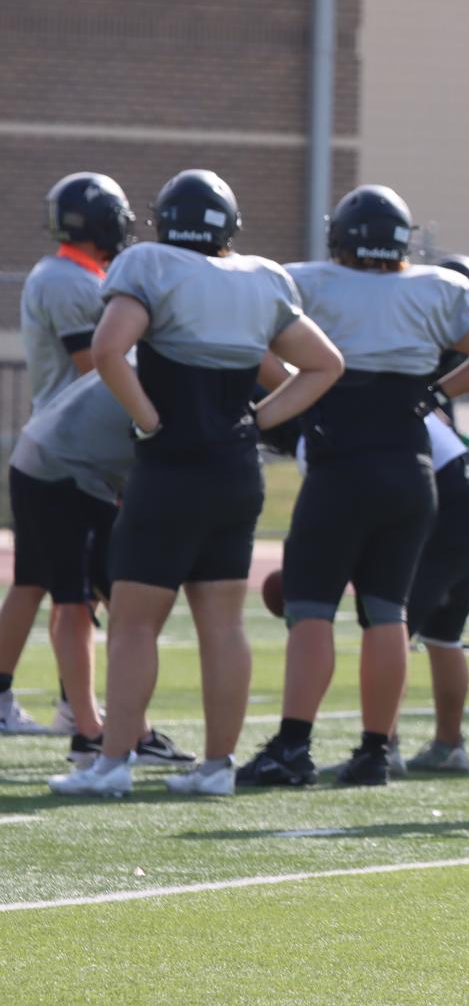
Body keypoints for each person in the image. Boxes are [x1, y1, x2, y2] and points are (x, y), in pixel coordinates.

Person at [50, 170, 344, 798]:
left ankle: (115, 763)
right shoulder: (262, 278)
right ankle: (216, 767)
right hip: (236, 471)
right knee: (223, 624)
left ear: (165, 221)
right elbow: (324, 365)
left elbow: (107, 350)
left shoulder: (150, 265)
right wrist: (260, 419)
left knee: (133, 622)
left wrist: (149, 419)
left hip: (170, 468)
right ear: (229, 226)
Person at [238, 186, 469, 790]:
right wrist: (437, 391)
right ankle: (373, 751)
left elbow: (254, 342)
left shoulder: (307, 282)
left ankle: (293, 746)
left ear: (338, 236)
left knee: (311, 608)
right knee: (386, 611)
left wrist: (293, 391)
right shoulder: (434, 289)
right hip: (410, 468)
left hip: (341, 465)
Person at [1, 173, 135, 736]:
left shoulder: (65, 273)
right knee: (89, 587)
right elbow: (97, 369)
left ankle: (37, 700)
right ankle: (80, 713)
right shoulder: (69, 280)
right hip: (72, 457)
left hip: (53, 451)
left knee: (37, 581)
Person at [8, 373, 190, 769]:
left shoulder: (182, 352)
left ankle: (130, 732)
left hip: (73, 466)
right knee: (77, 600)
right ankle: (91, 734)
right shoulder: (182, 360)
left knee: (119, 603)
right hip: (60, 470)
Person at [401, 255, 469, 774]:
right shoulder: (441, 355)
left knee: (392, 625)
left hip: (449, 503)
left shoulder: (421, 357)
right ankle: (449, 744)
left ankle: (380, 745)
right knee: (442, 633)